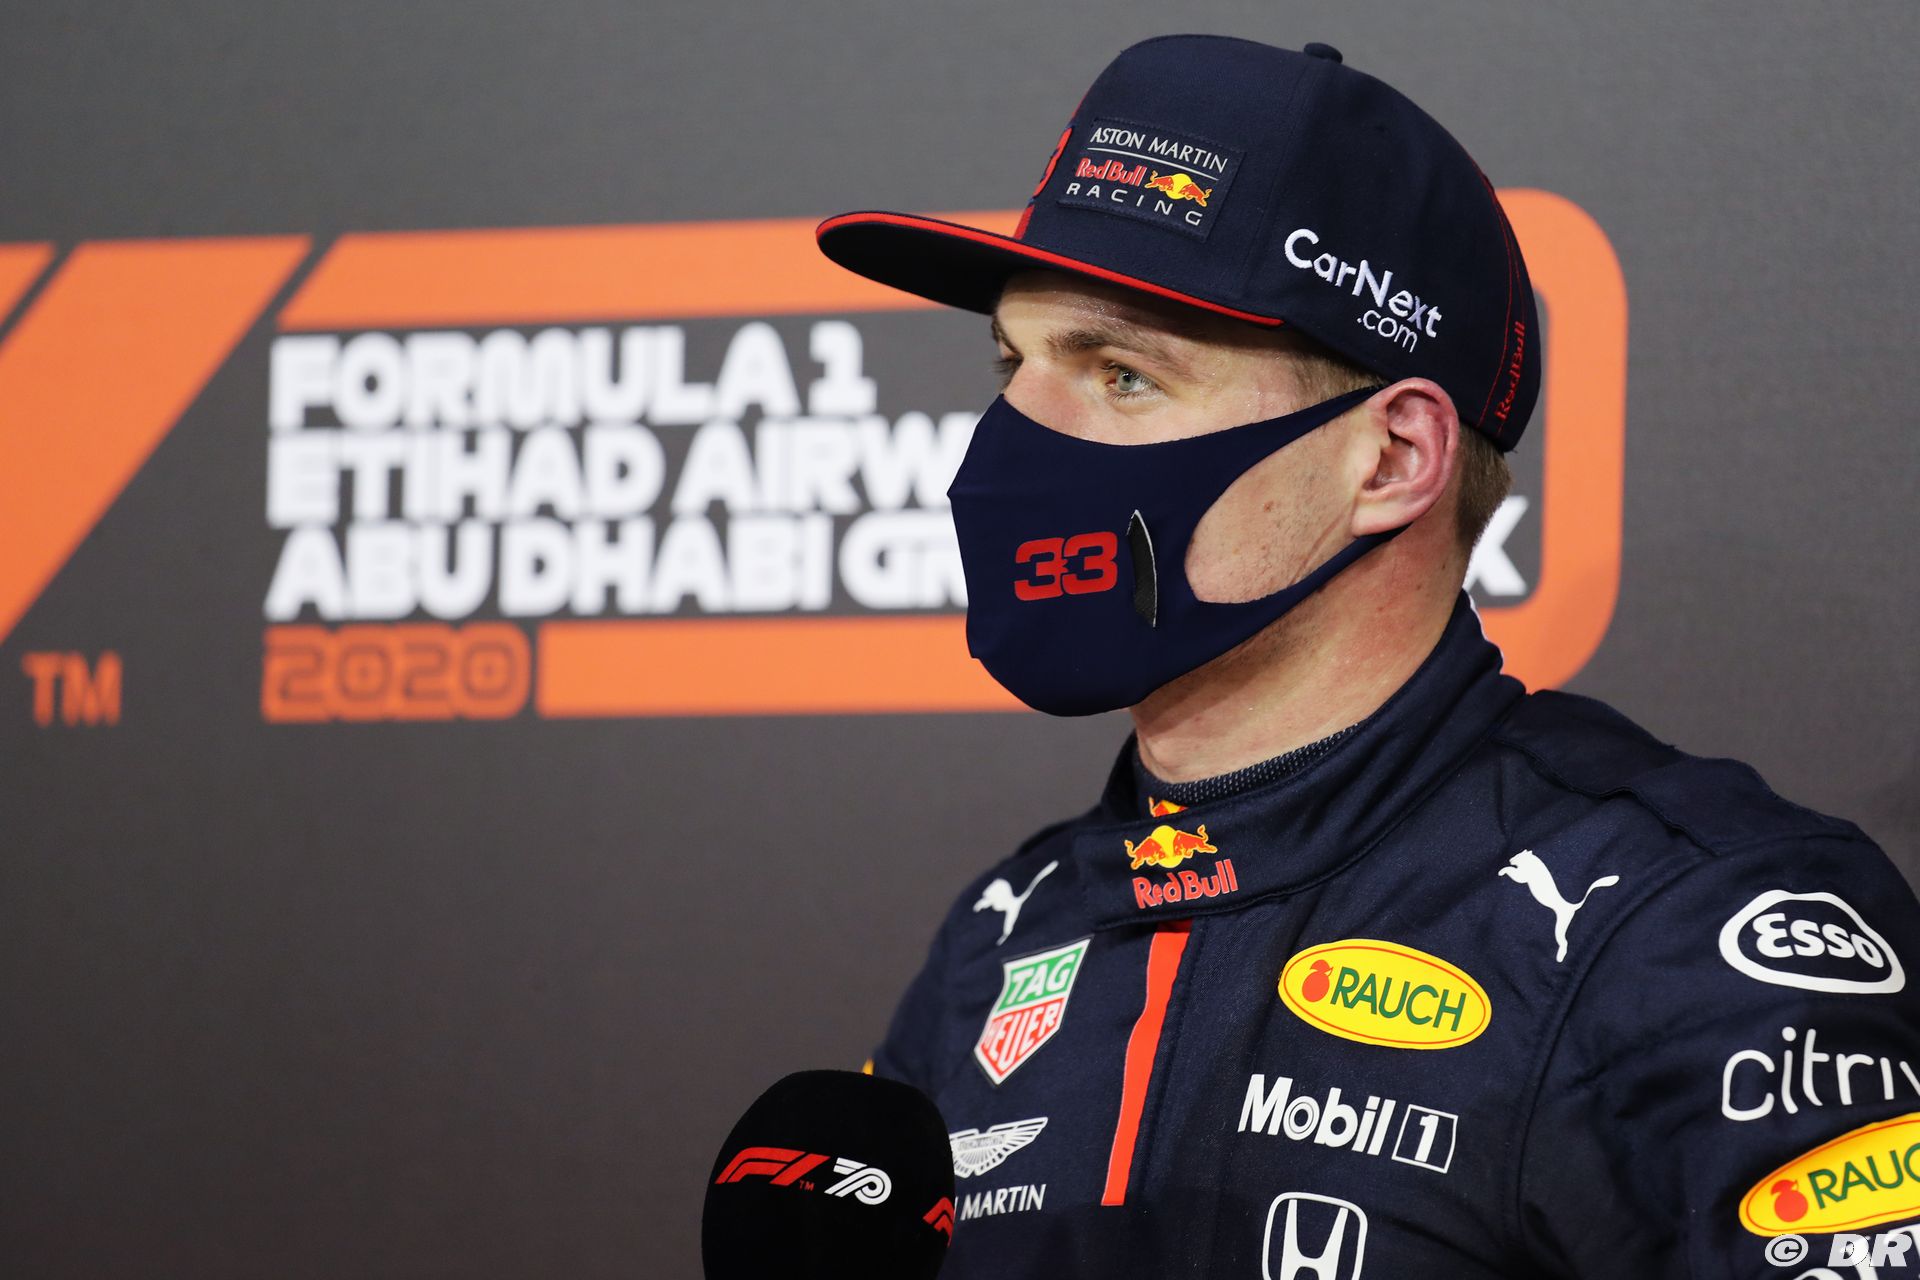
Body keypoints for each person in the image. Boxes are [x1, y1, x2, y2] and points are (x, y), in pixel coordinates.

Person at [815, 34, 1920, 1278]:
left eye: (1123, 374)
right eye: (1014, 364)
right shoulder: (1004, 932)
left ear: (1391, 459)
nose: (1012, 434)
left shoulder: (1681, 928)